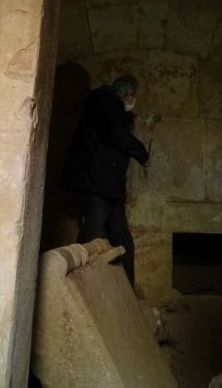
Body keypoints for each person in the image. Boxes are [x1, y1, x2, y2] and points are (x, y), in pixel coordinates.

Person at [61, 75, 149, 286]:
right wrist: (142, 154)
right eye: (133, 96)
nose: (133, 101)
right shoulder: (104, 103)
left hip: (106, 184)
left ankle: (126, 290)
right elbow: (116, 134)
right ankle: (79, 285)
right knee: (94, 231)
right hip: (97, 182)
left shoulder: (109, 107)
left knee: (121, 237)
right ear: (127, 93)